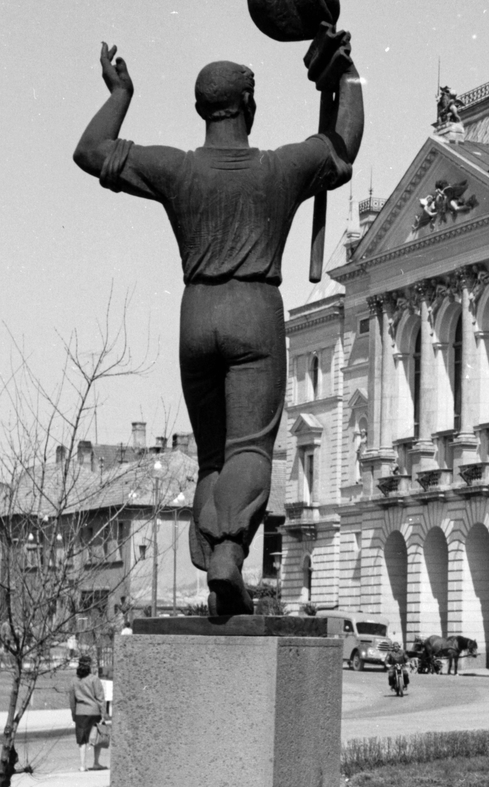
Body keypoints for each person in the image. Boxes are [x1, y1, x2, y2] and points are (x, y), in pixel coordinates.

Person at [73, 42, 363, 617]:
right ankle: (227, 550)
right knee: (250, 447)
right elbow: (343, 143)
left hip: (196, 312)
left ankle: (211, 559)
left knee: (211, 455)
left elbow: (89, 150)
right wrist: (347, 75)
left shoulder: (178, 168)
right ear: (248, 105)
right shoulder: (279, 167)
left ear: (202, 109)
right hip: (254, 309)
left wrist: (121, 94)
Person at [67, 657, 107, 773]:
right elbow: (100, 698)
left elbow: (72, 700)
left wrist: (73, 714)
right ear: (89, 666)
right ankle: (96, 762)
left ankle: (83, 765)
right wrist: (103, 714)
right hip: (94, 712)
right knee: (97, 737)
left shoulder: (73, 680)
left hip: (80, 712)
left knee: (82, 740)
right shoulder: (94, 679)